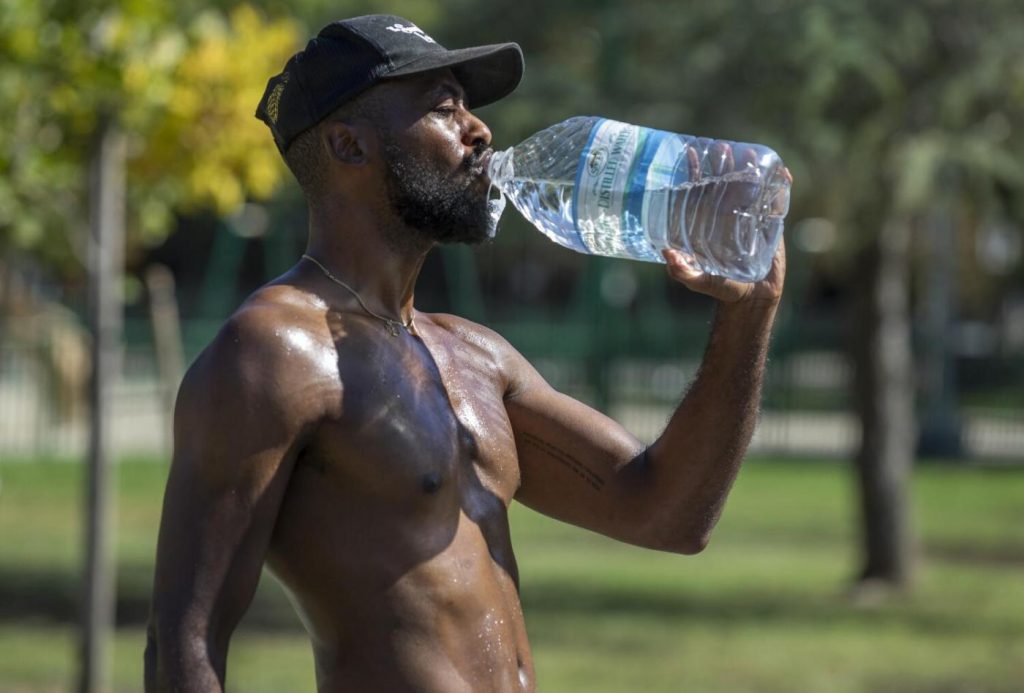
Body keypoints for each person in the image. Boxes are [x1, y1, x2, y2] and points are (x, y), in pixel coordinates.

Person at [145, 14, 785, 693]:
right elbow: (186, 639)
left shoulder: (475, 355)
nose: (480, 130)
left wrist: (748, 314)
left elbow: (670, 513)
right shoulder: (273, 354)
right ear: (348, 144)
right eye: (444, 108)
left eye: (470, 108)